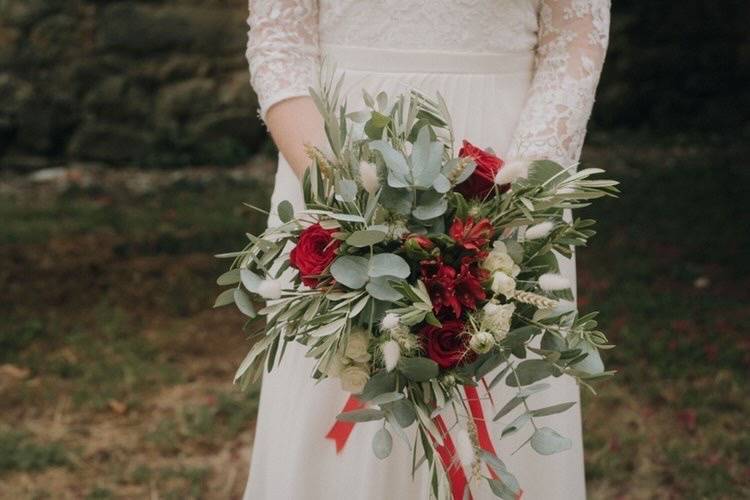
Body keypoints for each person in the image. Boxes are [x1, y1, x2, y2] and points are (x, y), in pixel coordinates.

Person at [243, 1, 610, 498]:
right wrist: (347, 202)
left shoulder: (509, 192)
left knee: (494, 362)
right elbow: (279, 44)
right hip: (333, 161)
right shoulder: (337, 186)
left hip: (502, 166)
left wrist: (511, 200)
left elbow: (575, 42)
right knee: (339, 374)